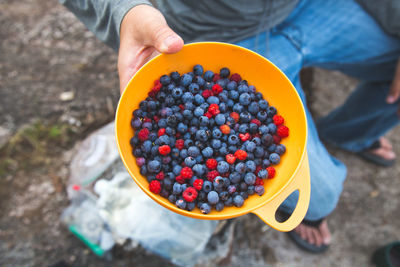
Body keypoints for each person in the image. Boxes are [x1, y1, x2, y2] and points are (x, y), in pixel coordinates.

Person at [59, 0, 400, 253]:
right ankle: (318, 191)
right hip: (206, 35)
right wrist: (126, 11)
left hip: (309, 7)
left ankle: (349, 134)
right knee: (320, 199)